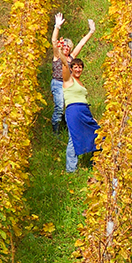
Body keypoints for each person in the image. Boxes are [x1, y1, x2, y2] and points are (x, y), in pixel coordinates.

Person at [53, 36, 100, 173]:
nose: (78, 70)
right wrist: (60, 51)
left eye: (80, 67)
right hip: (73, 111)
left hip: (84, 111)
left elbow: (83, 100)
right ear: (71, 69)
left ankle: (96, 163)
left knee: (98, 133)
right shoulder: (68, 79)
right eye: (75, 67)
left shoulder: (80, 83)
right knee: (73, 138)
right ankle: (71, 169)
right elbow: (63, 64)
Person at [50, 12, 96, 135]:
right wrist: (57, 26)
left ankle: (66, 124)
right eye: (64, 45)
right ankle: (56, 128)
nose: (66, 48)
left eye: (68, 46)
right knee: (59, 106)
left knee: (70, 105)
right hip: (58, 83)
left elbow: (81, 44)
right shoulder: (57, 56)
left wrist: (91, 31)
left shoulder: (71, 58)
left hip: (69, 85)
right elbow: (54, 41)